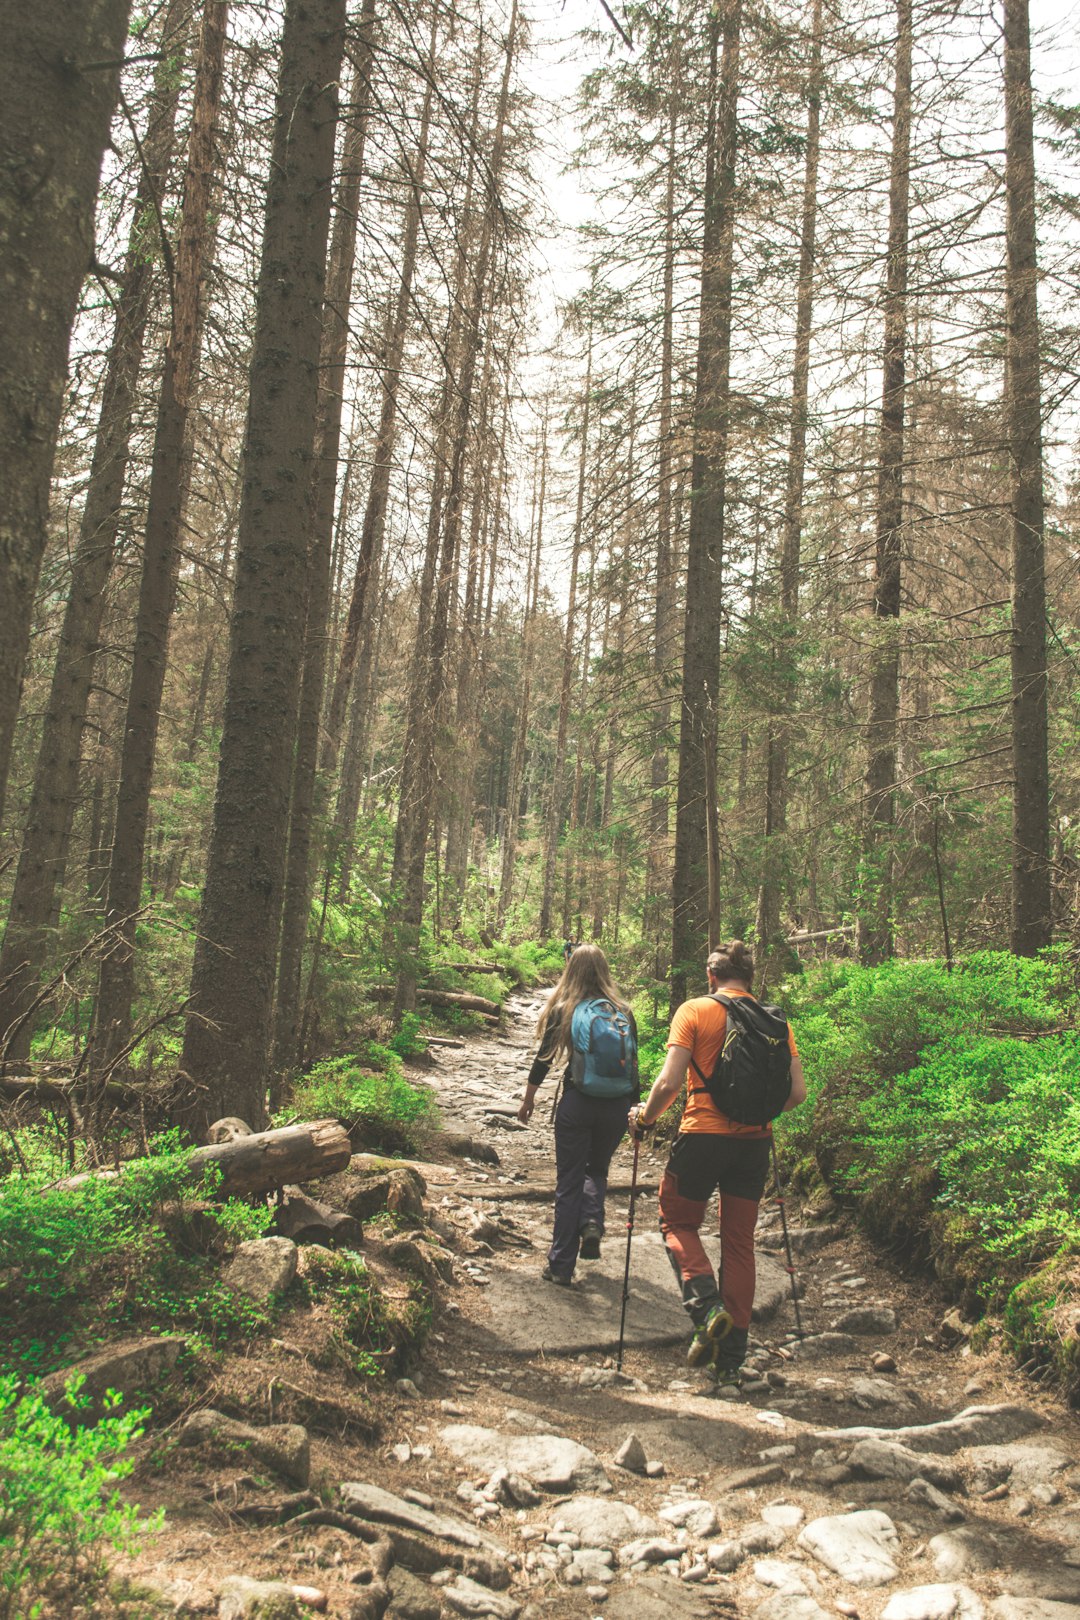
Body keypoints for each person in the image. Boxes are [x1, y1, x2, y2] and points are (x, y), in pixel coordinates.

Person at [628, 940, 806, 1383]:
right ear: (750, 978)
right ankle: (732, 1356)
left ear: (712, 976)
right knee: (739, 1243)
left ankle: (707, 1307)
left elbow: (670, 1081)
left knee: (677, 1222)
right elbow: (797, 1095)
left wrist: (645, 1119)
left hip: (702, 1137)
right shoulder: (776, 1022)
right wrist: (753, 1114)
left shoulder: (694, 1010)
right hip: (754, 1143)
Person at [518, 943, 638, 1286]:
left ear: (572, 970)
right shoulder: (623, 1012)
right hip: (616, 1107)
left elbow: (544, 1059)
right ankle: (591, 1221)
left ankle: (560, 1266)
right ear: (604, 970)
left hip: (577, 1103)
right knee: (597, 1170)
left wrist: (528, 1099)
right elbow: (634, 1070)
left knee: (568, 1183)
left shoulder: (566, 1008)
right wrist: (635, 1114)